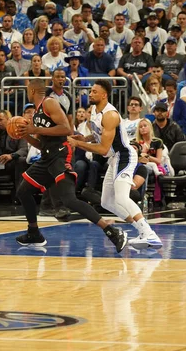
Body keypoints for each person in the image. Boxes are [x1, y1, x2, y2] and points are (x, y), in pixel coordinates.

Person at [14, 79, 128, 252]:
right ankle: (34, 233)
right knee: (23, 191)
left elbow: (66, 129)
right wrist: (25, 135)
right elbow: (42, 144)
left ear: (31, 91)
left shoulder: (49, 103)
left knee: (69, 200)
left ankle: (112, 231)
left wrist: (35, 130)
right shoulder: (37, 113)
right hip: (47, 156)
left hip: (61, 154)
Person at [68, 80, 163, 249]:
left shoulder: (110, 114)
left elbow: (104, 149)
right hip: (114, 159)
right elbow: (100, 136)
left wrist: (78, 144)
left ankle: (149, 234)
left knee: (121, 197)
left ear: (104, 95)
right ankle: (141, 231)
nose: (90, 94)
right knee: (106, 202)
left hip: (124, 156)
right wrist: (85, 139)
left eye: (94, 92)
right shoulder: (95, 111)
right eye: (90, 91)